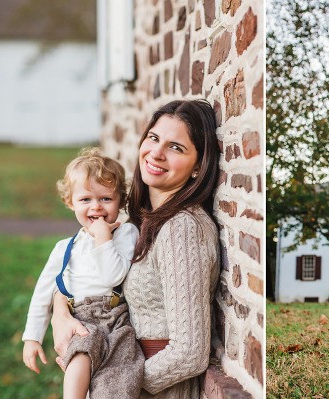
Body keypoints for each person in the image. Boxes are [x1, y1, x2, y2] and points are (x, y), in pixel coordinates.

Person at [51, 99, 221, 398]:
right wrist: (60, 314)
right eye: (154, 138)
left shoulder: (182, 228)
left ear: (198, 167)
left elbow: (190, 352)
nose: (156, 153)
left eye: (176, 147)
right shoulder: (140, 222)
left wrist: (110, 382)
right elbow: (85, 271)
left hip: (152, 387)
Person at [22, 148, 143, 399]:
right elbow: (43, 293)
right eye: (86, 199)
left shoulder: (126, 234)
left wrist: (103, 237)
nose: (96, 207)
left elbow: (113, 277)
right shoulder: (64, 248)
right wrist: (32, 338)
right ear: (71, 202)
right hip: (81, 319)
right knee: (82, 350)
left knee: (120, 376)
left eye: (106, 199)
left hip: (116, 317)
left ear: (120, 201)